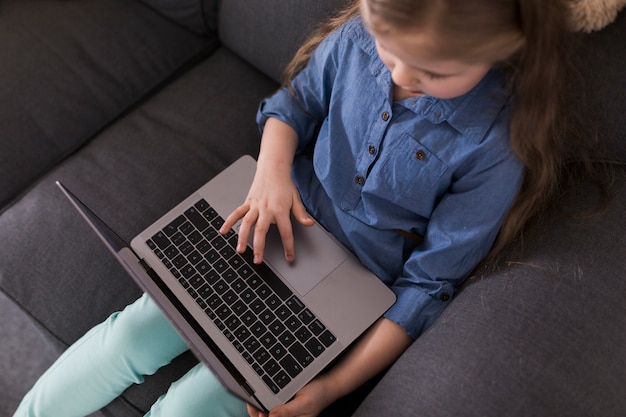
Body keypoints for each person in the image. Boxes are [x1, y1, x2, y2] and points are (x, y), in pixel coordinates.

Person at [15, 0, 582, 416]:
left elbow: (428, 287)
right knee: (130, 337)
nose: (403, 78)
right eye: (391, 52)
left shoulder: (496, 147)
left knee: (194, 409)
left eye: (435, 72)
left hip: (345, 296)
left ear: (503, 49)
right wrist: (270, 174)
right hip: (267, 221)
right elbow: (296, 105)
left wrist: (332, 389)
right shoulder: (359, 37)